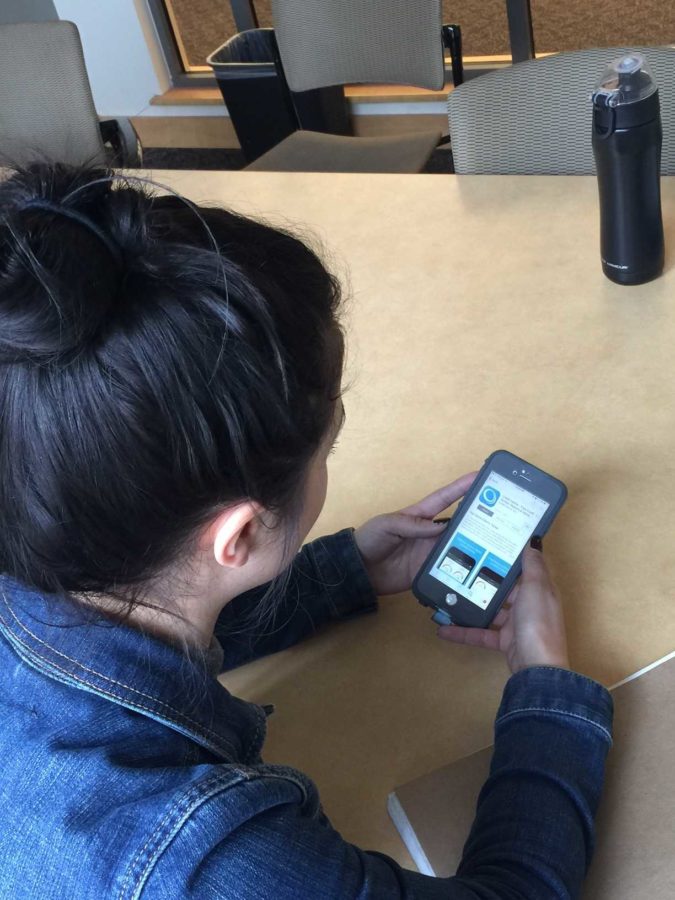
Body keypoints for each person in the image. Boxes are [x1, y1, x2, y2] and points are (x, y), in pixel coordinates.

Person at [0, 164, 612, 899]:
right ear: (240, 536)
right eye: (328, 447)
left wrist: (345, 569)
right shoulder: (205, 864)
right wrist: (547, 688)